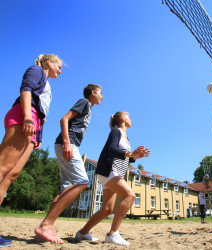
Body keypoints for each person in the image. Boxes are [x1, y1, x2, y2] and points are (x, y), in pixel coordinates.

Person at [0, 54, 62, 247]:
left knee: (11, 174)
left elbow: (42, 113)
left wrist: (38, 138)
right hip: (23, 116)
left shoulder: (49, 85)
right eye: (58, 65)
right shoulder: (36, 71)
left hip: (33, 125)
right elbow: (26, 90)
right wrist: (27, 117)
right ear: (48, 63)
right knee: (2, 168)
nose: (60, 69)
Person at [35, 84, 103, 244]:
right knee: (82, 182)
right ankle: (47, 224)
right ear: (92, 93)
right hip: (67, 144)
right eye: (100, 93)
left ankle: (43, 228)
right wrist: (67, 142)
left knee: (65, 190)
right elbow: (64, 119)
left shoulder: (90, 109)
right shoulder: (84, 102)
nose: (102, 96)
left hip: (67, 144)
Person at [75, 111, 150, 246]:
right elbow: (111, 150)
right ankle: (113, 233)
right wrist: (130, 154)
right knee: (130, 195)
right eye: (129, 117)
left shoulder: (126, 136)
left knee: (107, 209)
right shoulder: (116, 132)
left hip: (114, 173)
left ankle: (82, 233)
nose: (131, 120)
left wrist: (135, 157)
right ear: (122, 119)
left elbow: (122, 156)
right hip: (109, 171)